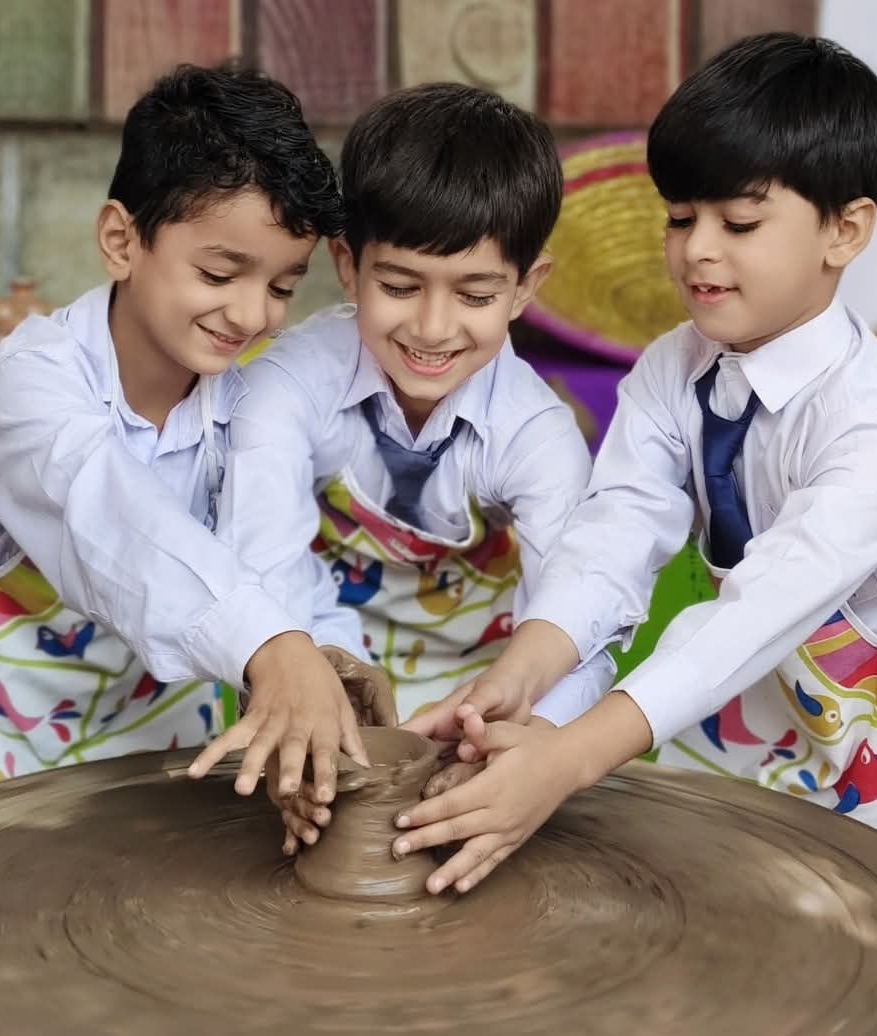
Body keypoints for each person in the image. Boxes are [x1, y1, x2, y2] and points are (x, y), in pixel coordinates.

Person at [399, 33, 877, 1005]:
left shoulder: (873, 427)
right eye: (680, 217)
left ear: (845, 230)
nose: (698, 250)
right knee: (735, 898)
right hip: (795, 673)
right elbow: (617, 530)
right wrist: (524, 673)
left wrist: (569, 758)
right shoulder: (672, 367)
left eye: (740, 221)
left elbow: (755, 611)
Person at [0, 63, 389, 819]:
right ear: (122, 241)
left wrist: (324, 656)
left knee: (154, 871)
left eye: (283, 287)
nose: (252, 314)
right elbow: (113, 519)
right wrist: (271, 648)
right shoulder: (30, 384)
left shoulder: (249, 403)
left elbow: (275, 553)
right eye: (219, 273)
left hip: (156, 698)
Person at [193, 83, 614, 844]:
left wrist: (522, 746)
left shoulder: (537, 437)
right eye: (398, 286)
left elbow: (578, 619)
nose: (431, 327)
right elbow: (260, 567)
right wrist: (323, 708)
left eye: (475, 295)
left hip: (480, 691)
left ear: (525, 288)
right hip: (320, 661)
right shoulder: (283, 388)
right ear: (347, 266)